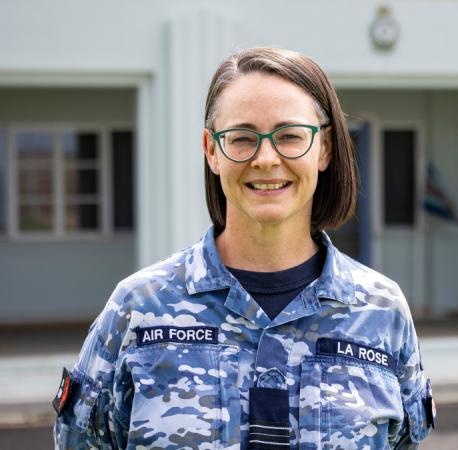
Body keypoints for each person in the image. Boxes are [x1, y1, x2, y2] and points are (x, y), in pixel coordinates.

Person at [53, 47, 435, 449]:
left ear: (323, 149)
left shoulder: (381, 311)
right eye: (242, 138)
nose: (266, 158)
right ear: (211, 150)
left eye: (290, 136)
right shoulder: (138, 307)